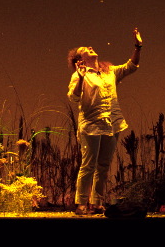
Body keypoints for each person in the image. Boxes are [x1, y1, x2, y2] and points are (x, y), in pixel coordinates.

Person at [66, 28, 143, 215]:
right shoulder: (79, 75)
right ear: (80, 60)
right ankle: (81, 203)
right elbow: (73, 97)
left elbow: (131, 66)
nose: (90, 47)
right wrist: (81, 77)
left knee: (103, 165)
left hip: (112, 123)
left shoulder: (109, 72)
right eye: (85, 49)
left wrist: (138, 46)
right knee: (88, 165)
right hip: (92, 124)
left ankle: (97, 203)